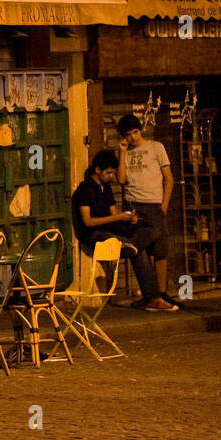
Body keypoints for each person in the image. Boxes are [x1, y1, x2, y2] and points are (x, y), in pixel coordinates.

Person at [72, 148, 176, 312]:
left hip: (111, 231)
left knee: (154, 230)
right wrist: (117, 218)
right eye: (109, 173)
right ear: (97, 170)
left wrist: (129, 220)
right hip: (94, 234)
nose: (112, 177)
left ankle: (133, 245)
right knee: (136, 250)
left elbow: (114, 215)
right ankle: (153, 298)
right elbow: (88, 222)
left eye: (113, 173)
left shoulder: (106, 188)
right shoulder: (84, 189)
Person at [116, 114, 181, 308]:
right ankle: (150, 295)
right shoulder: (124, 151)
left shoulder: (156, 147)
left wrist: (164, 206)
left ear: (140, 130)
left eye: (135, 132)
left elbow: (168, 178)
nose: (133, 138)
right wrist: (121, 153)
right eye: (128, 135)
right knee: (138, 249)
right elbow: (121, 180)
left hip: (154, 204)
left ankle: (160, 293)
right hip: (133, 205)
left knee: (160, 249)